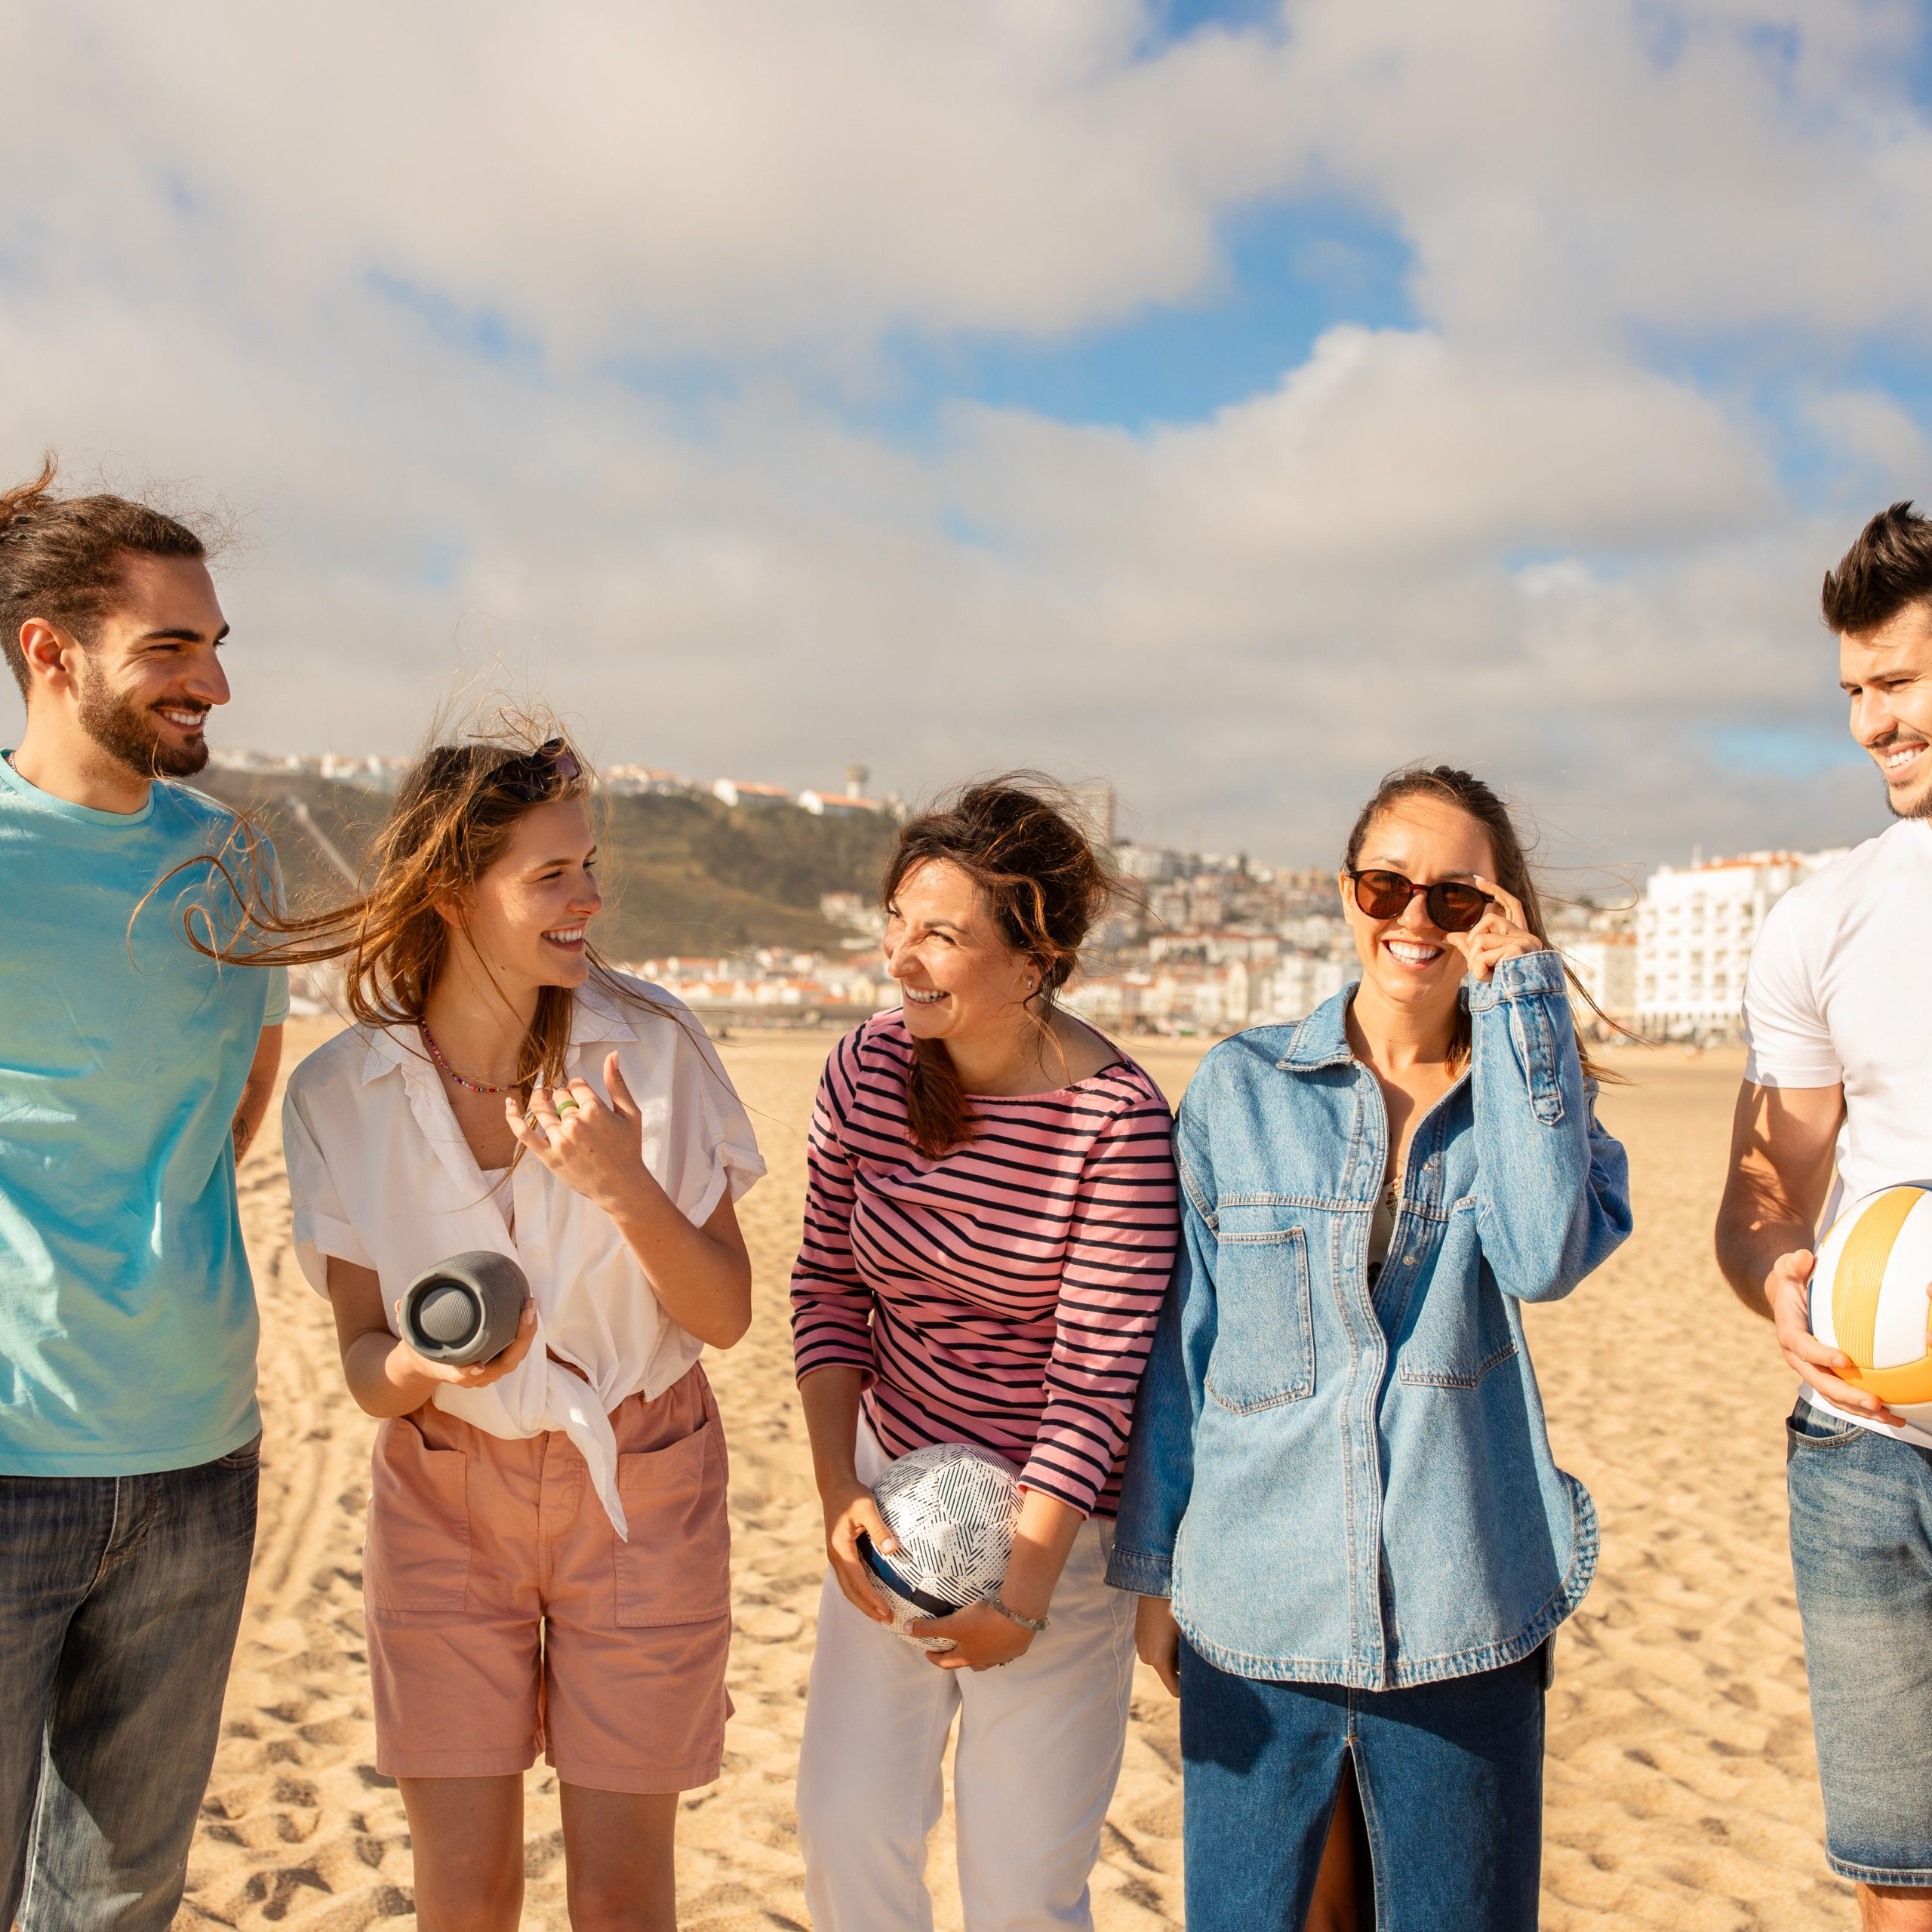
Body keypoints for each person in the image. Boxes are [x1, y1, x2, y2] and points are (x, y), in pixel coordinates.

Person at [1114, 764, 1632, 1932]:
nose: (1414, 918)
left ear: (1501, 917)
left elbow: (1547, 1254)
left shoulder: (1535, 1102)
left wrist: (1526, 1002)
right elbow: (1181, 1352)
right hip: (1255, 1609)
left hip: (1465, 1616)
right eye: (1387, 884)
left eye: (1457, 898)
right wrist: (1155, 1576)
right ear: (1348, 893)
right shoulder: (1240, 1090)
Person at [264, 725, 763, 1932]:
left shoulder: (655, 1046)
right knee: (466, 1891)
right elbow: (360, 1368)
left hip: (640, 1477)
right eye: (552, 875)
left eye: (589, 866)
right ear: (452, 893)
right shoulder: (340, 1094)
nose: (590, 899)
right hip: (442, 1490)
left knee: (624, 1892)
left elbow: (728, 1314)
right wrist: (429, 1362)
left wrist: (622, 1182)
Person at [789, 777, 1180, 1932]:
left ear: (1034, 957)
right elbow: (825, 1288)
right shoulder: (865, 1071)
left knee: (1018, 1886)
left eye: (943, 936)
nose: (902, 960)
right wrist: (836, 1492)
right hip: (890, 1493)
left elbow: (1096, 1382)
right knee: (846, 1824)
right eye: (897, 925)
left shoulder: (1116, 1124)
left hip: (1058, 1537)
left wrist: (1020, 1596)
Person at [0, 457, 288, 1930]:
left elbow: (235, 1099)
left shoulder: (227, 860)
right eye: (172, 646)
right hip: (6, 1458)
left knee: (118, 1897)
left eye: (218, 643)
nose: (213, 683)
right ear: (50, 651)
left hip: (197, 1456)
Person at [1715, 503, 1932, 1929]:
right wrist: (1778, 1268)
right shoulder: (1823, 917)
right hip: (1863, 1447)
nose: (1871, 725)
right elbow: (1762, 1186)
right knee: (1896, 1880)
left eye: (1899, 683)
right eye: (1851, 693)